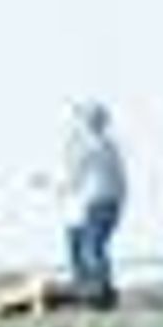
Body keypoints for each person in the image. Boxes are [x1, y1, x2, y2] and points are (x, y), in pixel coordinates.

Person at [56, 102, 127, 309]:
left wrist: (50, 184)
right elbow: (121, 180)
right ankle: (97, 289)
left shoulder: (88, 145)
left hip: (94, 201)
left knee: (91, 249)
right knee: (94, 247)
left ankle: (97, 291)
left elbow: (73, 177)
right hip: (109, 202)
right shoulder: (110, 145)